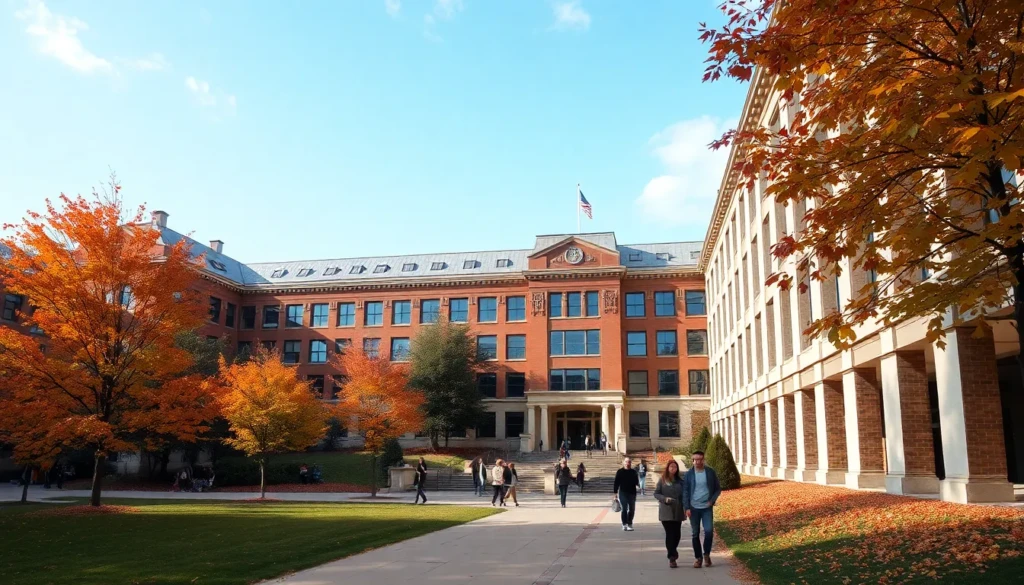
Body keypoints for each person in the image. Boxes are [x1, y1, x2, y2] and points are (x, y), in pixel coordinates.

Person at [684, 450, 722, 569]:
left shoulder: (710, 472)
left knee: (709, 531)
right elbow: (685, 492)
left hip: (706, 508)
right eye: (696, 460)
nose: (698, 462)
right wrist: (686, 507)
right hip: (693, 508)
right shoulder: (689, 474)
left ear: (703, 460)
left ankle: (706, 555)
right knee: (695, 534)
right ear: (692, 461)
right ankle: (698, 558)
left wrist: (712, 501)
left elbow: (717, 489)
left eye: (700, 459)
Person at [654, 459, 687, 568]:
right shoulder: (662, 480)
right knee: (669, 534)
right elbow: (656, 493)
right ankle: (672, 557)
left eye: (675, 467)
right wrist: (664, 499)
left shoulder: (680, 481)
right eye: (671, 467)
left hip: (678, 510)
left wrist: (686, 509)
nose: (673, 469)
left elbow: (684, 496)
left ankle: (673, 550)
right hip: (666, 511)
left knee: (677, 534)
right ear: (668, 468)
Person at [612, 456, 640, 531]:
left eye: (629, 462)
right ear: (623, 463)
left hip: (632, 493)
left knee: (632, 509)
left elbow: (637, 482)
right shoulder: (620, 472)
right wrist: (615, 494)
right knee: (624, 508)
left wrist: (638, 486)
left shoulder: (633, 472)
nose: (628, 463)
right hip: (623, 493)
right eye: (626, 462)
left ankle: (629, 524)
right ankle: (624, 524)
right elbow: (616, 483)